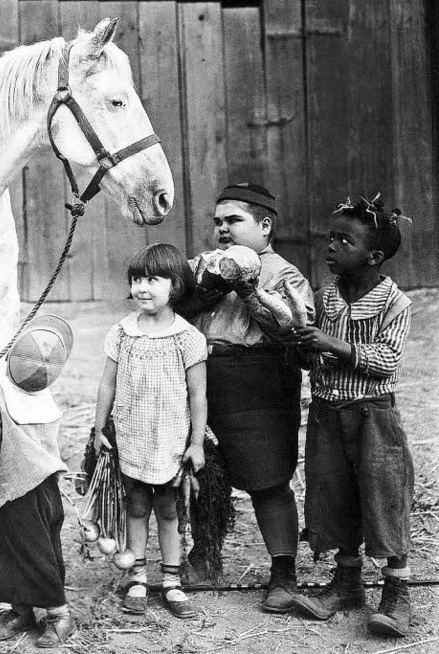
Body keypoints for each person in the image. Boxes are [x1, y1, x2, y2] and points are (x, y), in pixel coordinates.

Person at [177, 182, 314, 613]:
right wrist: (203, 286)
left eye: (234, 220)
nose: (222, 229)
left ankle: (283, 574)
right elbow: (171, 306)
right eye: (217, 221)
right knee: (203, 467)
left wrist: (249, 287)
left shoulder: (285, 274)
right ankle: (204, 555)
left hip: (259, 380)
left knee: (268, 478)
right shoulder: (205, 265)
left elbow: (295, 332)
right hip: (201, 377)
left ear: (265, 225)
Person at [290, 195, 414, 637]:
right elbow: (313, 361)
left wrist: (332, 344)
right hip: (327, 413)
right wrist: (304, 344)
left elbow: (387, 361)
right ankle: (346, 583)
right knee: (332, 493)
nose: (331, 247)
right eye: (331, 237)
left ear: (374, 256)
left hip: (373, 417)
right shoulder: (323, 298)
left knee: (382, 496)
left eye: (344, 241)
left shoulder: (393, 302)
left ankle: (396, 591)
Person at [94, 243, 207, 619]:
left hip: (172, 439)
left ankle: (172, 581)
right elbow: (107, 384)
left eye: (152, 280)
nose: (142, 288)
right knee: (137, 503)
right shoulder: (122, 332)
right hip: (131, 437)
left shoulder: (187, 337)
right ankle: (138, 575)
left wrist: (196, 442)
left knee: (170, 509)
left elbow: (197, 393)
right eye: (136, 279)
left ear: (174, 286)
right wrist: (99, 428)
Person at [0, 314, 76, 648]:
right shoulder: (46, 393)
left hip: (15, 496)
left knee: (32, 555)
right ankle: (21, 611)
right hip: (47, 491)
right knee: (27, 552)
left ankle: (59, 614)